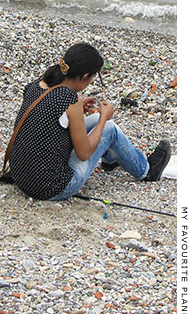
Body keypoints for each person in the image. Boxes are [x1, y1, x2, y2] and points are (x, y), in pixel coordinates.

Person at [9, 42, 171, 201]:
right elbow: (84, 153)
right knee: (109, 129)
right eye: (92, 79)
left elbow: (43, 117)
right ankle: (147, 171)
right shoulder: (67, 98)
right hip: (51, 188)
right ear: (85, 76)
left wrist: (78, 109)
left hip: (21, 175)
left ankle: (110, 158)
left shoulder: (37, 85)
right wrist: (103, 118)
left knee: (92, 120)